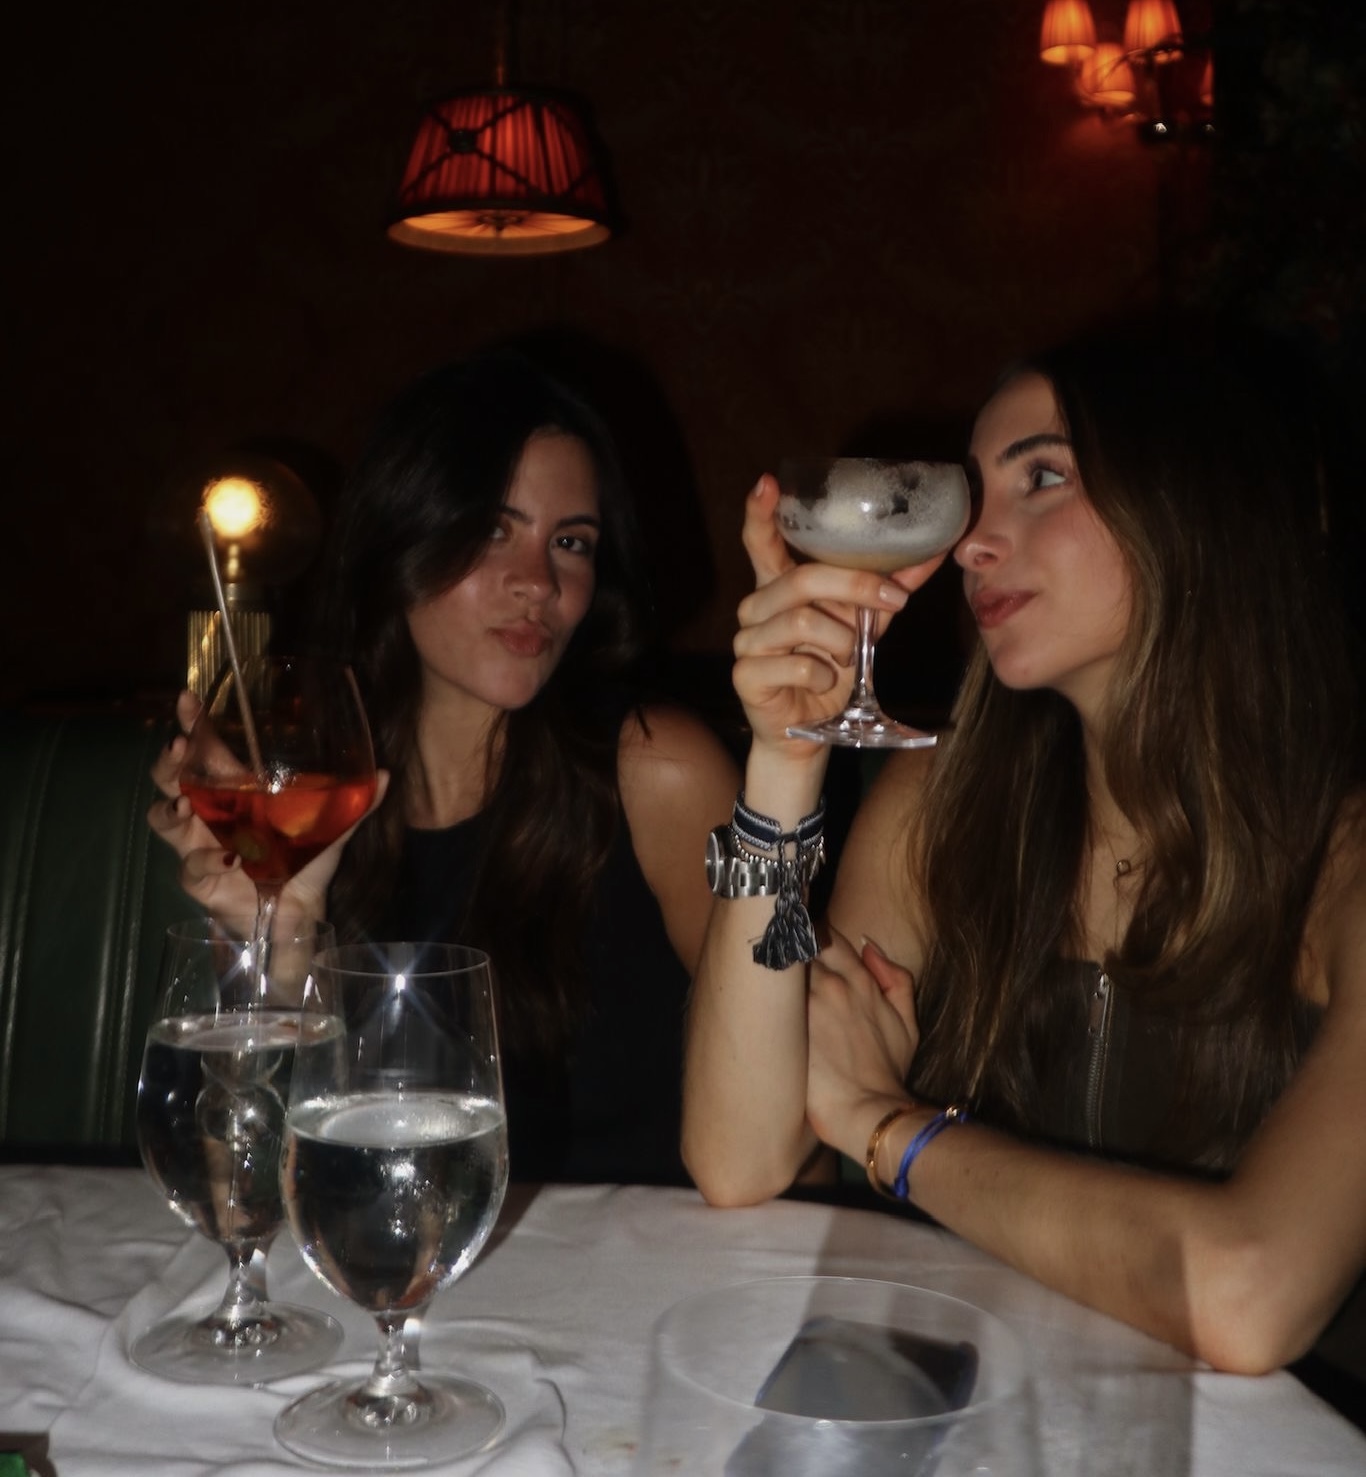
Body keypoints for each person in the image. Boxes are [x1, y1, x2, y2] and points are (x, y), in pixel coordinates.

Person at [682, 322, 1366, 1379]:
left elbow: (1244, 1295)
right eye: (973, 494)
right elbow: (737, 1156)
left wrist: (889, 1130)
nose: (968, 543)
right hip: (991, 1418)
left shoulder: (1342, 855)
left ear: (1199, 500)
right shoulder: (939, 805)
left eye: (1042, 476)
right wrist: (784, 760)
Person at [152, 350, 740, 1184]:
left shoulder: (659, 768)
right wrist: (276, 943)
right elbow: (234, 1170)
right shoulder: (309, 799)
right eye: (492, 530)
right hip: (396, 1274)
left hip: (644, 1286)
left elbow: (792, 1123)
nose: (538, 581)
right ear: (403, 536)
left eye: (570, 542)